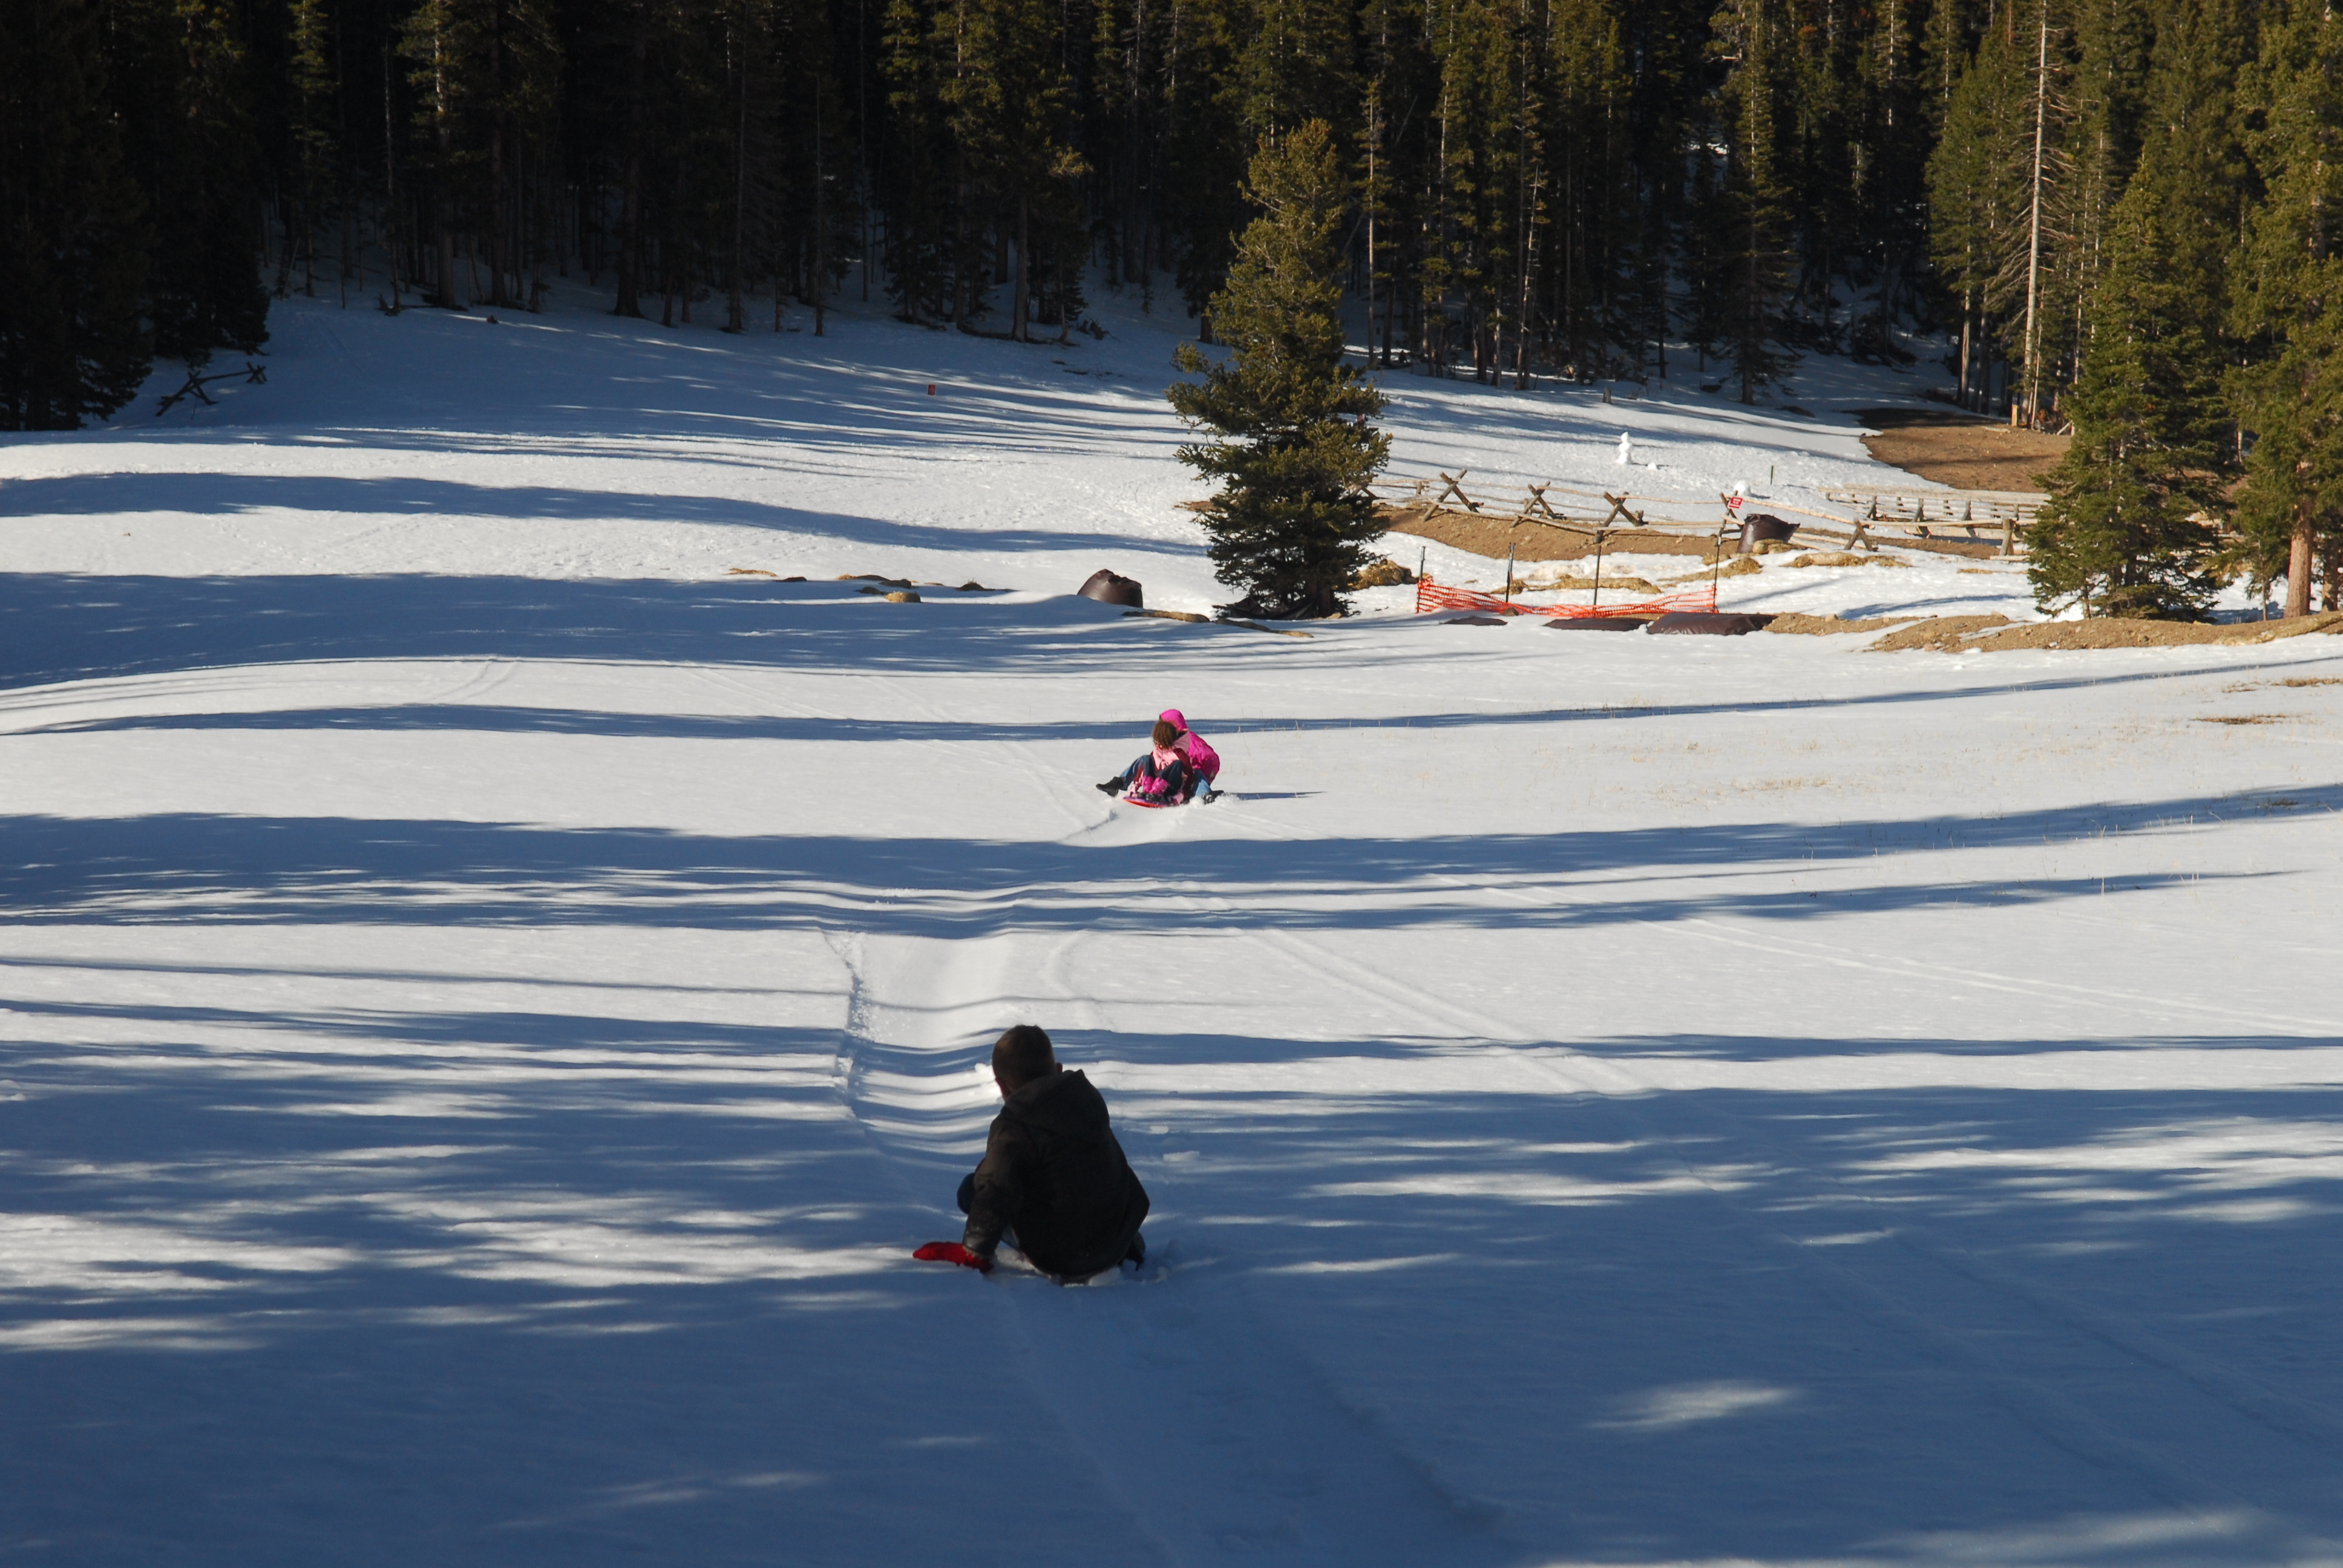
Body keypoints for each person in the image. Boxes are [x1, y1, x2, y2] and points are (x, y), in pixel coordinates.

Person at [913, 1025, 1150, 1281]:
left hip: (1065, 1257)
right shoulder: (1085, 1100)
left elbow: (995, 1192)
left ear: (1002, 1086)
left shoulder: (1014, 1126)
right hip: (1119, 1236)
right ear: (1057, 1069)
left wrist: (975, 1251)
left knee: (971, 1191)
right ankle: (1109, 1245)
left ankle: (1082, 1253)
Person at [1096, 710, 1220, 803]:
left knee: (1197, 774)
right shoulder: (1165, 742)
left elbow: (1210, 759)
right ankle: (1119, 783)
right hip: (1164, 778)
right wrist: (1137, 785)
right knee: (1144, 759)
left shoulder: (1190, 742)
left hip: (1182, 778)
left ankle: (1205, 794)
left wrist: (1200, 778)